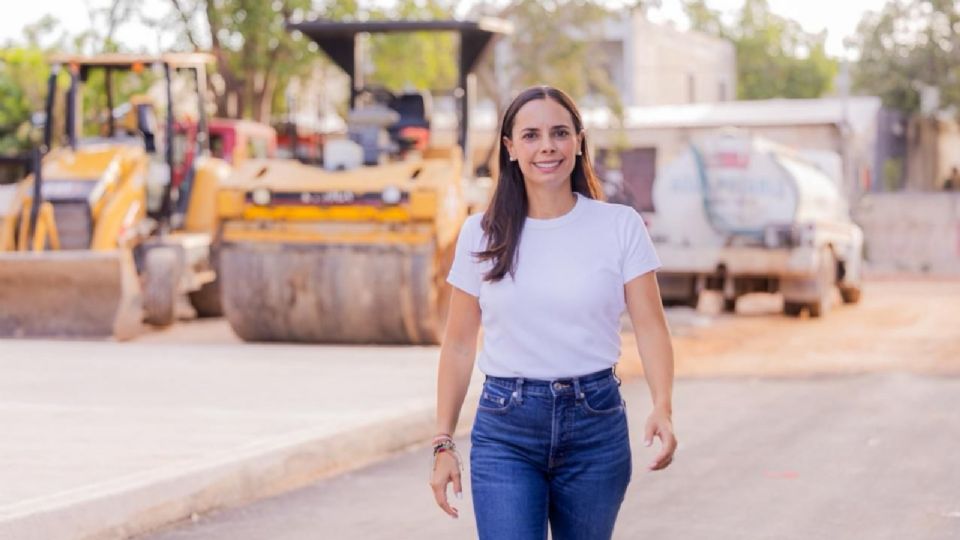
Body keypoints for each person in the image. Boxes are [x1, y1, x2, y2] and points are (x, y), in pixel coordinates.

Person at [429, 85, 677, 540]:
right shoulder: (480, 234)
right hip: (506, 429)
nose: (547, 146)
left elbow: (650, 329)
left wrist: (663, 406)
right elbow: (460, 344)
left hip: (595, 426)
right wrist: (443, 441)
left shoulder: (619, 226)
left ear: (579, 142)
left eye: (560, 133)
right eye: (531, 135)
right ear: (510, 148)